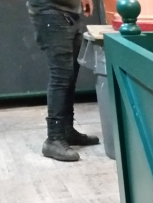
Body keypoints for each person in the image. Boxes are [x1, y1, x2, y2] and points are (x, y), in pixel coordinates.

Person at [28, 0, 100, 162]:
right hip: (51, 14)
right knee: (60, 77)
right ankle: (54, 138)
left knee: (70, 74)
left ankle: (66, 130)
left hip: (69, 13)